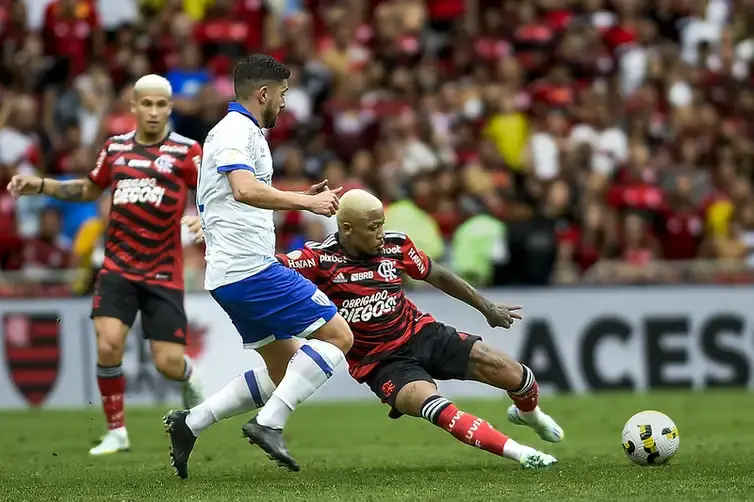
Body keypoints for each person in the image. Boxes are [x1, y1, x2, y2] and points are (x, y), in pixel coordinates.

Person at [175, 189, 562, 476]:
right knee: (439, 409)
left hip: (422, 333)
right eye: (372, 227)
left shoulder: (395, 247)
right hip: (382, 366)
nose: (381, 233)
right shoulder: (318, 258)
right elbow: (269, 270)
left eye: (382, 224)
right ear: (346, 227)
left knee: (516, 374)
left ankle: (530, 415)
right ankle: (519, 452)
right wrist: (212, 236)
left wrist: (487, 308)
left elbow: (438, 274)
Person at [164, 54, 353, 476]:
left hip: (232, 273)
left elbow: (242, 196)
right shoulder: (235, 130)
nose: (285, 103)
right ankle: (268, 424)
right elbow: (244, 189)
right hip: (249, 270)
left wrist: (298, 193)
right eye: (282, 95)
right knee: (338, 335)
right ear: (263, 93)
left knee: (284, 367)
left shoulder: (242, 131)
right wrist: (307, 202)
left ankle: (190, 424)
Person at [6, 74, 205, 456]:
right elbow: (88, 188)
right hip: (117, 268)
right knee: (109, 343)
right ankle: (117, 432)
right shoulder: (115, 149)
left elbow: (216, 191)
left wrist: (205, 218)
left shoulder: (186, 152)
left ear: (169, 108)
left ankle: (189, 375)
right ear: (133, 107)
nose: (153, 111)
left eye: (160, 104)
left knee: (167, 363)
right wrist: (42, 185)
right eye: (145, 104)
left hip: (164, 271)